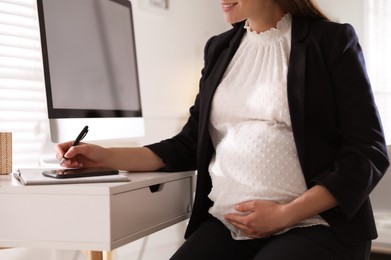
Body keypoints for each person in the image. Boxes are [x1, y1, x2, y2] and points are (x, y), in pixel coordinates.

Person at [55, 0, 390, 259]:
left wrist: (285, 214)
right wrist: (103, 156)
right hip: (230, 224)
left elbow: (368, 151)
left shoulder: (329, 41)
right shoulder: (220, 48)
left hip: (316, 224)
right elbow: (188, 144)